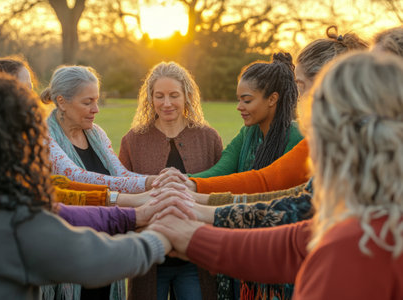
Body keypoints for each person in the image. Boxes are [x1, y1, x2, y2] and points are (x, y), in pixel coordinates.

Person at [152, 51, 403, 300]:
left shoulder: (355, 244)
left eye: (302, 87)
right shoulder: (367, 222)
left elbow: (283, 201)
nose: (297, 100)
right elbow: (292, 241)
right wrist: (192, 224)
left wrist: (189, 212)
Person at [0, 65, 176, 300]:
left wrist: (153, 184)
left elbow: (110, 181)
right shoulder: (12, 217)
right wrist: (162, 237)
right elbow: (75, 187)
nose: (95, 109)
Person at [152, 26, 368, 196]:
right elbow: (225, 171)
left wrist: (192, 191)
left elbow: (267, 186)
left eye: (300, 85)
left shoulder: (303, 139)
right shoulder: (250, 134)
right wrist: (185, 183)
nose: (297, 95)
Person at [119, 61, 221, 300]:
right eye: (159, 96)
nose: (166, 103)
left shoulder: (208, 138)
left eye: (174, 95)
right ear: (150, 98)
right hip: (149, 260)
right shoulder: (133, 140)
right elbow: (123, 194)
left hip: (195, 261)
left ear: (186, 96)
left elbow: (218, 192)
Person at [40, 66, 158, 194]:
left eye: (96, 101)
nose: (96, 109)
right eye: (87, 103)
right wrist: (148, 183)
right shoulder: (43, 137)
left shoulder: (97, 133)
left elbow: (120, 174)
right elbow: (78, 178)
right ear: (62, 102)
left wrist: (159, 181)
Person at [187, 52, 303, 179]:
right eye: (239, 100)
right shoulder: (247, 133)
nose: (239, 107)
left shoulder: (296, 138)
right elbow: (221, 170)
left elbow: (266, 185)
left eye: (247, 100)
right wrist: (183, 180)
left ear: (272, 99)